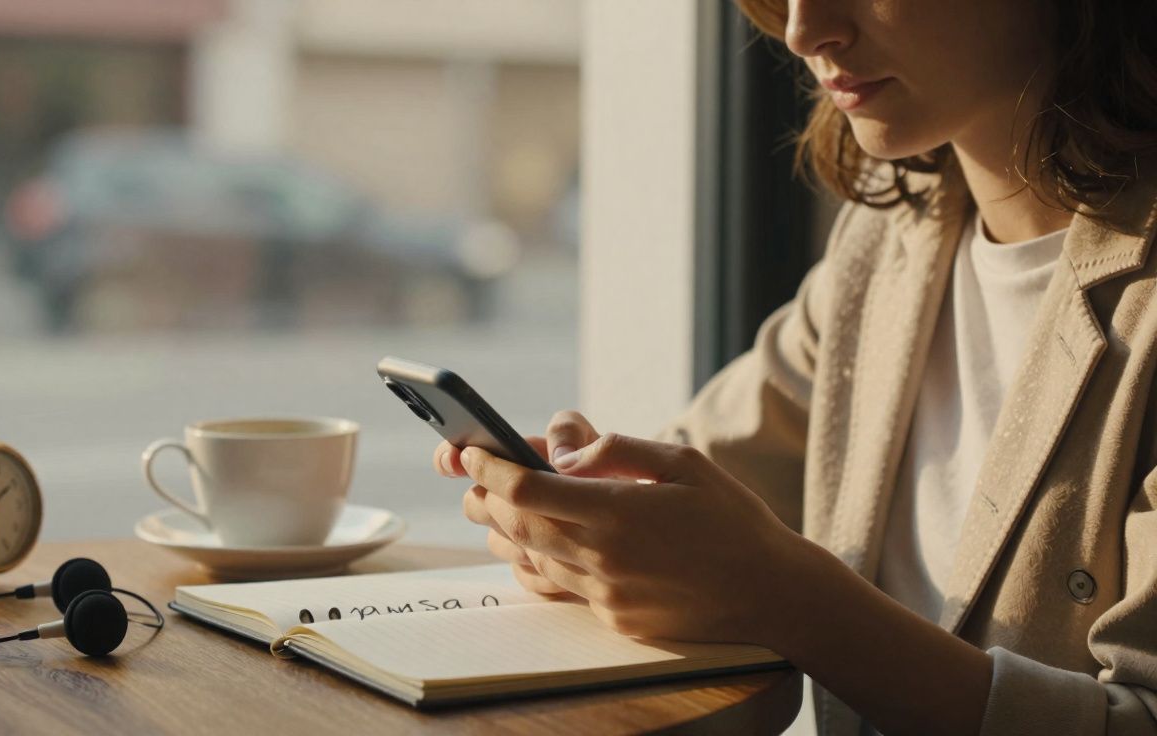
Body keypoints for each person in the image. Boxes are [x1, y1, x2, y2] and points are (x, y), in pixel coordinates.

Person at [432, 1, 1157, 734]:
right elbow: (694, 490)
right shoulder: (889, 247)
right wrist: (574, 522)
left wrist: (790, 602)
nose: (805, 33)